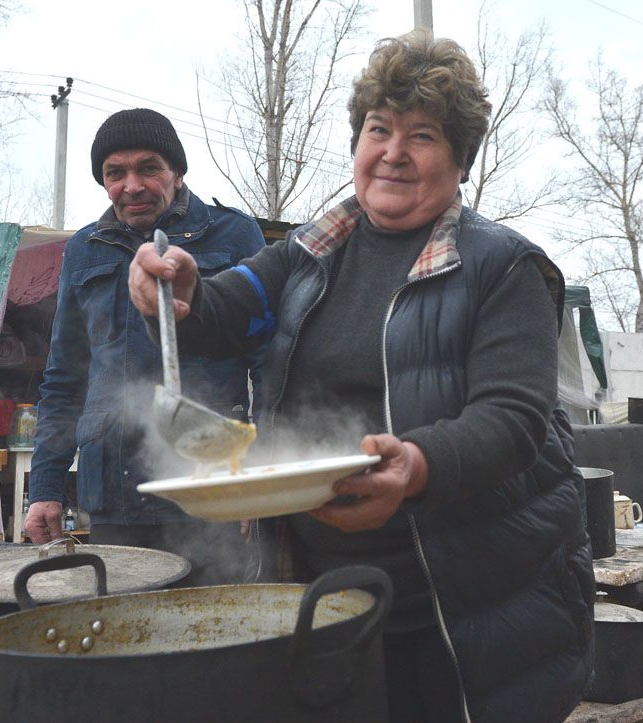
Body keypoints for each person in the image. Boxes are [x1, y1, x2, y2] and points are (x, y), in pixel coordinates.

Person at [129, 30, 593, 722]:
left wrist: (418, 463)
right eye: (379, 128)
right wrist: (180, 292)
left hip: (462, 610)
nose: (394, 151)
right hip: (324, 596)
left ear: (460, 158)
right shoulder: (314, 252)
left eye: (424, 135)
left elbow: (514, 419)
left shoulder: (504, 267)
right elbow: (224, 309)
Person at [24, 108, 266, 585]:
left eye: (148, 168)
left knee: (216, 635)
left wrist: (257, 479)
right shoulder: (83, 250)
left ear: (176, 171)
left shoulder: (234, 235)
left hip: (212, 484)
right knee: (125, 637)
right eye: (116, 173)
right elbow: (65, 376)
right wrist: (46, 486)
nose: (131, 186)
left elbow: (271, 362)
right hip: (115, 490)